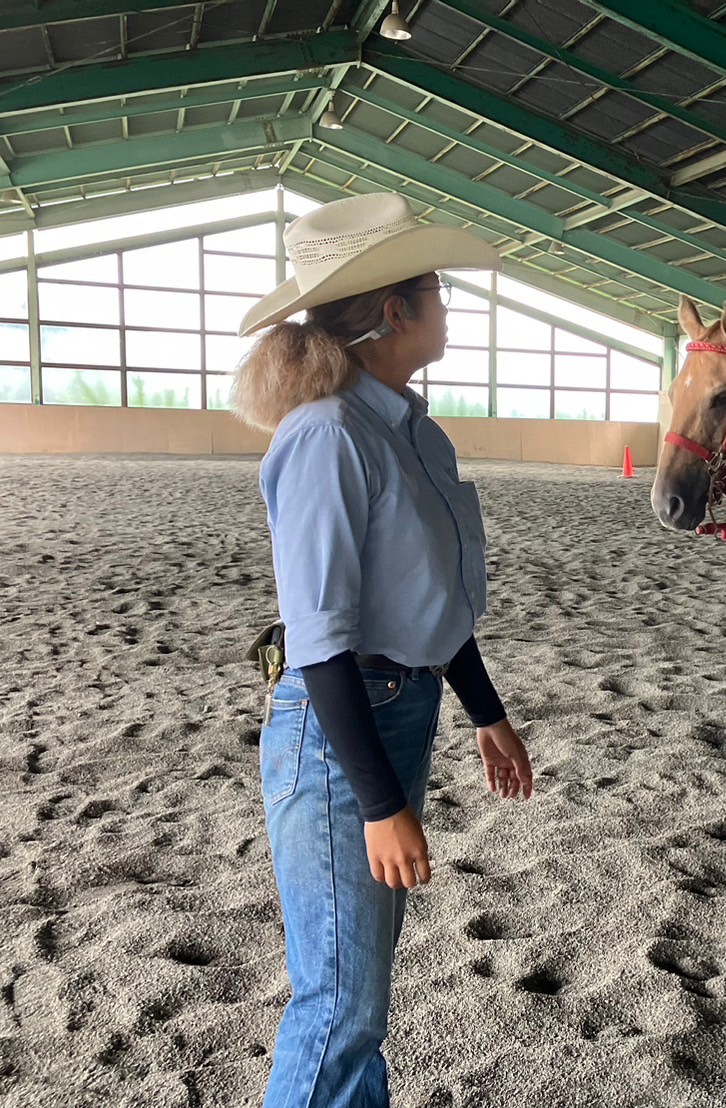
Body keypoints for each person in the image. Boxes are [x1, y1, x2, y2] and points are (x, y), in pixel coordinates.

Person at [233, 193, 535, 1108]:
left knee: (357, 995)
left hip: (399, 712)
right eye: (436, 292)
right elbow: (321, 638)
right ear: (395, 312)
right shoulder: (327, 435)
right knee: (338, 1003)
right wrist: (376, 802)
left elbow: (429, 597)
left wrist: (486, 712)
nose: (449, 308)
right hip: (341, 732)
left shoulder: (409, 430)